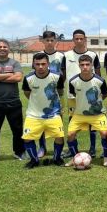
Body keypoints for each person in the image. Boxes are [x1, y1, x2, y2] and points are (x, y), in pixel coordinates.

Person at [0, 38, 25, 164]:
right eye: (0, 47)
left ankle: (19, 152)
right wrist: (9, 74)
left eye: (5, 47)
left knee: (18, 130)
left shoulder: (15, 63)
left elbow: (18, 77)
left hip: (14, 102)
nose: (2, 49)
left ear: (9, 48)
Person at [22, 53, 65, 169]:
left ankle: (57, 158)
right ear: (33, 65)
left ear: (48, 64)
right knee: (27, 138)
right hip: (33, 114)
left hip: (53, 114)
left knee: (59, 137)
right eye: (37, 64)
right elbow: (27, 93)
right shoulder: (28, 78)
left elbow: (60, 92)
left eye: (43, 64)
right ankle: (34, 160)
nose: (40, 67)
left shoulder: (57, 76)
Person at [65, 55, 107, 167]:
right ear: (79, 65)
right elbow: (75, 95)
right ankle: (74, 157)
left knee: (105, 134)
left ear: (92, 66)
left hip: (97, 114)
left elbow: (104, 95)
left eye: (87, 64)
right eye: (82, 65)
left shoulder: (100, 81)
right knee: (70, 134)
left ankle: (106, 157)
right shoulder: (73, 81)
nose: (85, 67)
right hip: (79, 114)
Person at [63, 29, 101, 159]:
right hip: (73, 95)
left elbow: (98, 72)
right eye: (76, 39)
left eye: (81, 38)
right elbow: (63, 74)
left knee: (93, 121)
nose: (79, 41)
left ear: (85, 39)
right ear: (73, 40)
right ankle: (73, 148)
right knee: (73, 121)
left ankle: (93, 148)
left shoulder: (93, 55)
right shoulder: (67, 55)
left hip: (91, 94)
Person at [36, 30, 66, 158]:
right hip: (42, 93)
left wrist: (58, 87)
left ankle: (58, 147)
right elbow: (36, 73)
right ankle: (42, 147)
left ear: (55, 41)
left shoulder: (61, 56)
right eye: (47, 40)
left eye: (52, 40)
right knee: (41, 119)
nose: (49, 43)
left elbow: (63, 74)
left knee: (57, 120)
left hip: (57, 93)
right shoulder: (39, 55)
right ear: (43, 41)